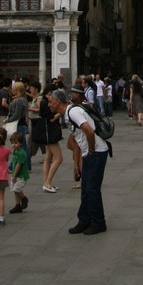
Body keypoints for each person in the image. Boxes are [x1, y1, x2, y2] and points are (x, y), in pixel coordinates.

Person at [49, 86, 109, 235]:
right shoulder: (67, 114)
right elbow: (76, 141)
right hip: (89, 153)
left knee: (92, 189)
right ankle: (84, 220)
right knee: (86, 189)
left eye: (50, 102)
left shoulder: (73, 112)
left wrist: (91, 150)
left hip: (97, 152)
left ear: (57, 101)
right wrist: (77, 164)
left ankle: (98, 222)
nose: (48, 104)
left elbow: (88, 130)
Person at [31, 84, 63, 193]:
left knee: (48, 158)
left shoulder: (44, 101)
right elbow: (51, 119)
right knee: (58, 158)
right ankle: (48, 182)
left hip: (48, 132)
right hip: (49, 132)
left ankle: (46, 182)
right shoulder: (45, 103)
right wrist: (61, 112)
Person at [8, 132, 30, 214]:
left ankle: (24, 199)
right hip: (16, 174)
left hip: (21, 176)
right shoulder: (15, 151)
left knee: (16, 189)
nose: (13, 145)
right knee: (15, 190)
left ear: (21, 143)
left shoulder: (21, 153)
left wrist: (13, 176)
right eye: (12, 143)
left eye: (16, 143)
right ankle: (17, 206)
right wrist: (10, 169)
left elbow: (18, 165)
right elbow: (14, 162)